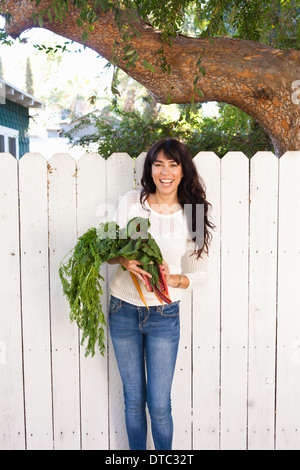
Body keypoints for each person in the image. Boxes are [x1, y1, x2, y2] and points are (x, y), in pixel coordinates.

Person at [106, 138, 215, 450]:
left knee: (159, 405)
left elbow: (202, 274)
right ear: (150, 169)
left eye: (173, 164)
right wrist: (124, 260)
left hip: (164, 316)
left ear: (183, 171)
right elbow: (109, 250)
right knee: (133, 400)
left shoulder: (192, 213)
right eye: (158, 164)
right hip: (122, 309)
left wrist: (174, 278)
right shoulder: (130, 202)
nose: (165, 171)